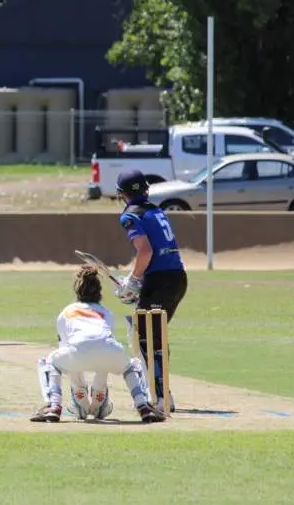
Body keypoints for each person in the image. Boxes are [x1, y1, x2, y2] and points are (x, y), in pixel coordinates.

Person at [29, 265, 165, 424]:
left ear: (77, 290)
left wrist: (79, 394)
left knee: (50, 362)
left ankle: (54, 406)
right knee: (131, 365)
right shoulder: (106, 312)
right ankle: (143, 406)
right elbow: (102, 352)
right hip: (110, 350)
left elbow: (66, 350)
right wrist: (98, 394)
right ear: (99, 291)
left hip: (79, 351)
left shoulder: (66, 312)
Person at [114, 169, 188, 412]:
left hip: (161, 280)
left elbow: (146, 251)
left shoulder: (130, 216)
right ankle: (162, 392)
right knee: (153, 336)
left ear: (121, 194)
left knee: (145, 337)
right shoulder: (157, 210)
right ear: (146, 189)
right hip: (177, 277)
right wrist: (139, 282)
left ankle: (160, 396)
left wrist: (133, 281)